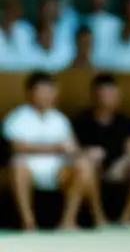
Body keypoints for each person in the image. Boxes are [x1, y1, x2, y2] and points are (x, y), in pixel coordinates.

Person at [3, 72, 105, 230]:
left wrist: (86, 152)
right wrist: (54, 148)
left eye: (50, 92)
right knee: (17, 166)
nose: (46, 96)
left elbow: (72, 148)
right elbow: (17, 147)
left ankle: (68, 220)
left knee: (84, 165)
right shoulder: (17, 117)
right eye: (42, 92)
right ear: (30, 93)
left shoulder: (59, 119)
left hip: (58, 170)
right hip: (29, 169)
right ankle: (28, 223)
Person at [73, 74, 130, 224]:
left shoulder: (125, 121)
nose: (108, 98)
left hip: (119, 169)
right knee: (87, 165)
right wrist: (87, 154)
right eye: (104, 93)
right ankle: (98, 216)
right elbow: (74, 149)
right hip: (94, 170)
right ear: (94, 95)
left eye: (112, 93)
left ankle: (127, 215)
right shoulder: (82, 121)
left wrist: (122, 163)